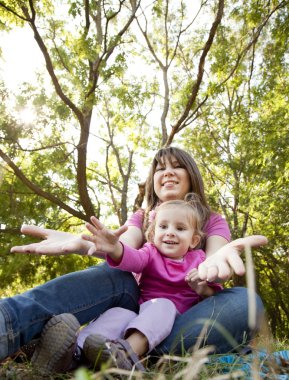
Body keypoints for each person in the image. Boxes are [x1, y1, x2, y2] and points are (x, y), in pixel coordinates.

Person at [0, 146, 267, 372]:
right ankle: (19, 326)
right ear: (153, 179)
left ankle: (132, 354)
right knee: (116, 275)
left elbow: (215, 259)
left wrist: (210, 270)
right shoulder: (141, 217)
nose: (168, 172)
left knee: (247, 301)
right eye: (160, 168)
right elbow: (122, 250)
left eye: (177, 166)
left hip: (183, 319)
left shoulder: (212, 221)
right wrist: (84, 244)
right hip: (135, 306)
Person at [70, 194, 222, 371]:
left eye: (180, 228)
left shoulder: (200, 260)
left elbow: (216, 296)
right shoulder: (150, 252)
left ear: (194, 240)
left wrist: (202, 288)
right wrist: (116, 249)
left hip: (176, 325)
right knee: (119, 313)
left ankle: (125, 355)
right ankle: (74, 352)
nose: (170, 232)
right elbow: (133, 259)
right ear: (153, 233)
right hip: (142, 316)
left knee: (164, 305)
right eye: (163, 226)